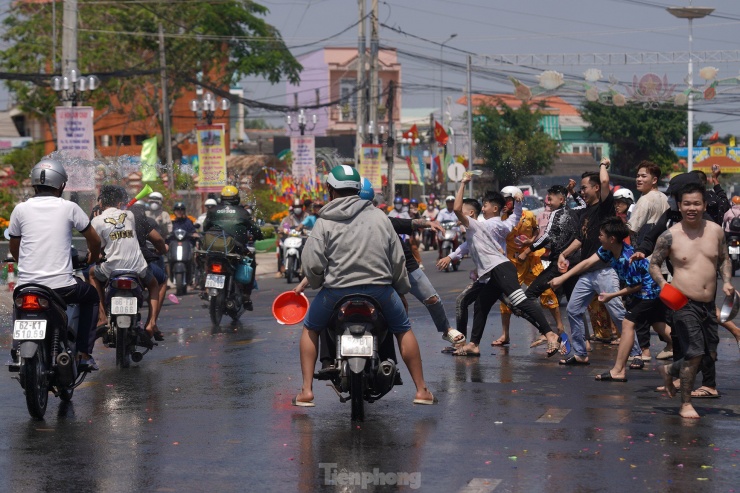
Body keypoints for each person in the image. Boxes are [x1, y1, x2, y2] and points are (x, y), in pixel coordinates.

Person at [294, 165, 435, 406]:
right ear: (358, 189)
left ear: (329, 189)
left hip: (335, 293)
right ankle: (421, 390)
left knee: (310, 328)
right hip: (380, 291)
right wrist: (400, 290)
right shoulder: (380, 217)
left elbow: (312, 263)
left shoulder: (324, 222)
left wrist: (317, 283)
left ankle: (306, 390)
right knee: (402, 328)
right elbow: (397, 260)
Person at [437, 174, 563, 357]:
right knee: (481, 304)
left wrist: (463, 183)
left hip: (500, 269)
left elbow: (456, 209)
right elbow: (516, 216)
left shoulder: (478, 225)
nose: (483, 207)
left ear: (494, 208)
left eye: (485, 205)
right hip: (495, 272)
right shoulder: (502, 224)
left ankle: (550, 334)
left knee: (520, 301)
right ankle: (473, 344)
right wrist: (518, 203)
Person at [7, 158, 102, 370]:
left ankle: (16, 350)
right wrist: (92, 257)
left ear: (34, 184)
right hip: (63, 287)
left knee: (19, 304)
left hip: (27, 285)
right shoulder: (70, 207)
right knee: (91, 297)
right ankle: (85, 354)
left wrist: (22, 262)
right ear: (61, 185)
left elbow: (15, 247)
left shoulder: (20, 210)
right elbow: (94, 240)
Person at [650, 182, 733, 419]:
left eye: (697, 203)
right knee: (695, 352)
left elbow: (725, 259)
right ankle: (685, 403)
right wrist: (663, 284)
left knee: (709, 355)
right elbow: (654, 263)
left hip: (708, 304)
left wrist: (727, 281)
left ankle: (670, 370)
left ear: (704, 204)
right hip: (682, 301)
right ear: (679, 205)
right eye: (687, 203)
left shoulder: (716, 231)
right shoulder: (670, 235)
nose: (692, 208)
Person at [551, 218, 669, 382]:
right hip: (642, 293)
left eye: (601, 235)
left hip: (647, 293)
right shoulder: (608, 250)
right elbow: (587, 262)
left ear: (611, 238)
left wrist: (612, 295)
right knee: (659, 326)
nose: (598, 238)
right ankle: (688, 350)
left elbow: (637, 285)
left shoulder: (628, 257)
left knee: (627, 321)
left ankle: (626, 364)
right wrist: (563, 278)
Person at [555, 158, 640, 365]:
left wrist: (603, 165)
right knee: (573, 310)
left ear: (595, 187)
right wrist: (563, 254)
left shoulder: (604, 207)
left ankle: (636, 353)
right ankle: (580, 354)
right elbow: (579, 239)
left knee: (618, 313)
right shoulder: (584, 212)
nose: (582, 191)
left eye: (584, 187)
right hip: (586, 273)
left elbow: (604, 183)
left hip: (604, 270)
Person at [89, 185, 160, 346]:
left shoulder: (97, 220)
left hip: (111, 270)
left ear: (101, 203)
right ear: (120, 202)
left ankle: (101, 318)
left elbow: (96, 247)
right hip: (137, 268)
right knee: (154, 285)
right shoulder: (129, 215)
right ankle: (152, 323)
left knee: (92, 274)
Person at [497, 186, 564, 347]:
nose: (504, 204)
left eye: (507, 200)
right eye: (502, 201)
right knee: (507, 298)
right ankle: (505, 335)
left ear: (515, 200)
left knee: (547, 291)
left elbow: (536, 233)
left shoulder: (529, 215)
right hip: (514, 263)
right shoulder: (501, 220)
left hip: (532, 259)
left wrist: (530, 241)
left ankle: (560, 327)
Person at [202, 185, 263, 310]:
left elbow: (205, 227)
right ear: (236, 198)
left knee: (206, 260)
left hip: (213, 246)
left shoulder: (212, 210)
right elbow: (255, 229)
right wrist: (259, 235)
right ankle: (246, 296)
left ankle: (205, 288)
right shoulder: (242, 212)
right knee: (251, 263)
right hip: (236, 248)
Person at [129, 201, 168, 341]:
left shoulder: (104, 218)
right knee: (161, 280)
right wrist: (163, 250)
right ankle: (151, 323)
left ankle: (102, 318)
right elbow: (158, 239)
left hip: (112, 266)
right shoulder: (141, 219)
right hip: (140, 264)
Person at [628, 161, 669, 245]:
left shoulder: (645, 199)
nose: (639, 179)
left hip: (644, 252)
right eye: (638, 176)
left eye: (643, 176)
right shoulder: (665, 198)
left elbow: (631, 229)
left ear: (654, 180)